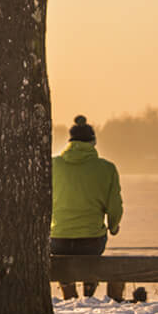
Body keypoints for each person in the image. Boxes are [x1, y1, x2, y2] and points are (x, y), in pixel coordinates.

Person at [49, 115, 124, 300]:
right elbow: (114, 206)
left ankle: (68, 291)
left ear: (70, 141)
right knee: (92, 249)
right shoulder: (107, 168)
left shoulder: (53, 166)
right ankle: (89, 288)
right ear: (93, 142)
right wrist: (113, 227)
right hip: (92, 241)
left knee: (62, 254)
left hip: (59, 238)